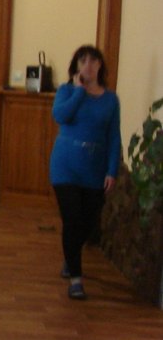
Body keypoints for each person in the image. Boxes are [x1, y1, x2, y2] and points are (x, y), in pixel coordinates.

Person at [49, 45, 121, 300]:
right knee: (72, 220)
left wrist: (112, 170)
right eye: (83, 61)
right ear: (76, 67)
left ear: (100, 65)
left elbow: (114, 137)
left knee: (88, 223)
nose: (88, 65)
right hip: (65, 166)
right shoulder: (67, 91)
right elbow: (60, 116)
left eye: (93, 61)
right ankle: (76, 279)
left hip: (94, 169)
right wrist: (79, 91)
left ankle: (71, 256)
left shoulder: (111, 100)